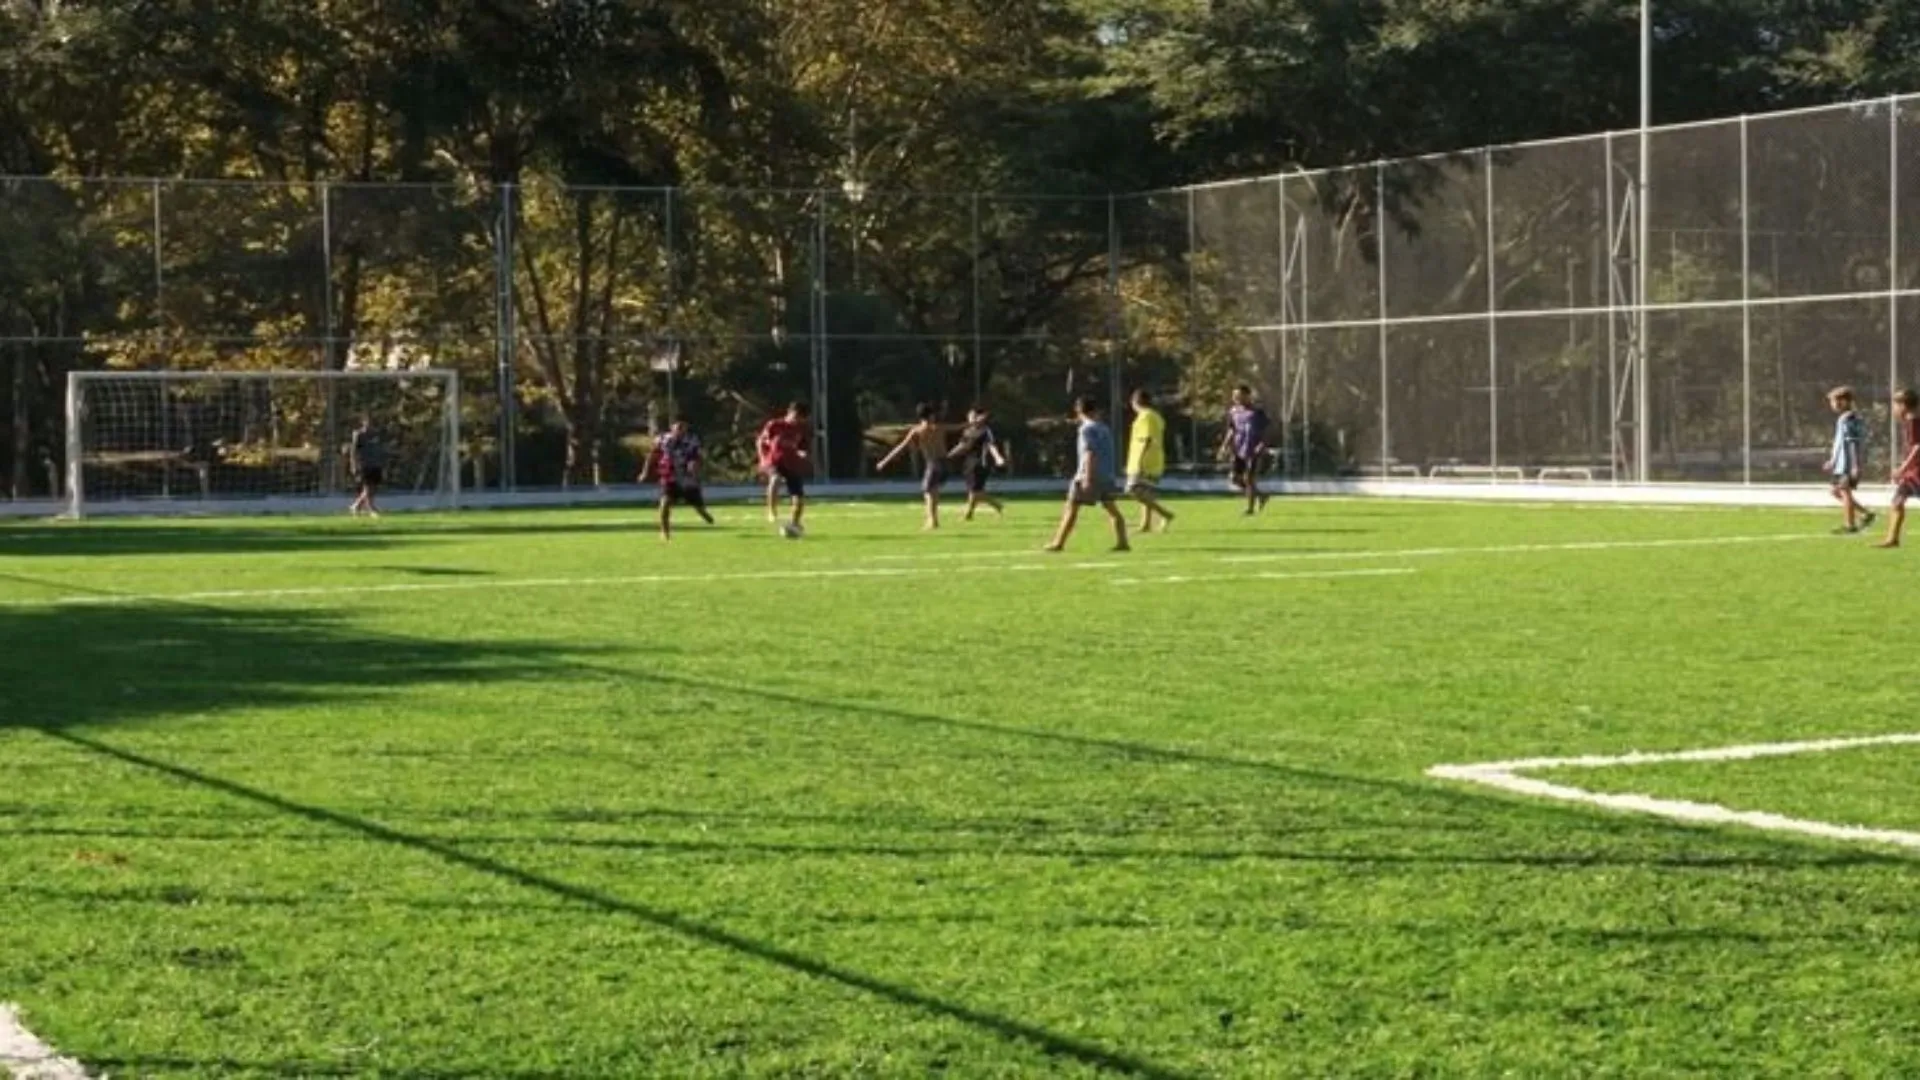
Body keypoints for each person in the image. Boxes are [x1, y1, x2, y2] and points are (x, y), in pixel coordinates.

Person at [1044, 396, 1130, 553]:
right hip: (1106, 475)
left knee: (1071, 507)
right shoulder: (1104, 429)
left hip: (1088, 474)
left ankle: (1058, 543)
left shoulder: (1086, 430)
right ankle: (1123, 542)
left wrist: (1087, 477)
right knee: (1112, 509)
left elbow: (1089, 453)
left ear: (1078, 410)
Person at [875, 403, 952, 530]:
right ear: (931, 415)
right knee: (933, 491)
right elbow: (959, 427)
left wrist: (884, 461)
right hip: (945, 463)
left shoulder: (918, 431)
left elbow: (901, 447)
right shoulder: (939, 428)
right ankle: (932, 520)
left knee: (928, 492)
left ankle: (933, 522)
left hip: (933, 463)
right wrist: (973, 423)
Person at [643, 419, 715, 541]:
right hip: (669, 476)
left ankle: (702, 512)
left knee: (697, 505)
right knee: (665, 503)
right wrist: (644, 472)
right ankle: (665, 532)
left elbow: (697, 457)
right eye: (678, 427)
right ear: (672, 428)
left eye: (683, 427)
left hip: (686, 476)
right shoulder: (663, 440)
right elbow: (651, 456)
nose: (680, 430)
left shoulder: (692, 440)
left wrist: (694, 466)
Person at [1825, 386, 1875, 534]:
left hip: (1846, 464)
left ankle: (1850, 525)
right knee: (1835, 491)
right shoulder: (1845, 418)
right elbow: (1840, 443)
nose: (1833, 405)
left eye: (1835, 401)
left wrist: (1855, 465)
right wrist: (1833, 460)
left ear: (1845, 401)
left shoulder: (1848, 419)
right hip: (1840, 463)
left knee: (1844, 491)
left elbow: (1852, 442)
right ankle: (1866, 514)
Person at [757, 401, 811, 535]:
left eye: (801, 418)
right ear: (790, 412)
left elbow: (803, 447)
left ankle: (795, 524)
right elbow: (760, 441)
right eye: (796, 416)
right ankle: (772, 511)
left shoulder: (801, 429)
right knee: (775, 479)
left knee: (799, 499)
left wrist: (802, 454)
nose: (797, 420)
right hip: (774, 461)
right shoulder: (775, 425)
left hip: (791, 464)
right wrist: (763, 458)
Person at [1126, 389, 1175, 533]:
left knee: (1133, 489)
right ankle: (1145, 524)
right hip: (1155, 459)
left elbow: (1146, 439)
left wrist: (1139, 460)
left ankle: (1165, 514)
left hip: (1145, 460)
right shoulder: (1156, 416)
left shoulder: (1146, 416)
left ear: (1135, 402)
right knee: (1146, 492)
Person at [1877, 388, 1920, 549]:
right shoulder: (1909, 422)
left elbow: (1917, 447)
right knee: (1897, 501)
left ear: (1903, 405)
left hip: (1916, 472)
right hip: (1911, 472)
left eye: (1895, 405)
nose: (1894, 409)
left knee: (1897, 501)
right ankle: (1892, 539)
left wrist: (1902, 468)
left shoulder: (1913, 422)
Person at [949, 405, 1007, 521]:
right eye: (969, 416)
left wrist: (998, 458)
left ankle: (969, 514)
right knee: (975, 490)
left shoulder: (985, 431)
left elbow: (991, 446)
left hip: (981, 462)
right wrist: (950, 454)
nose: (971, 418)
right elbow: (962, 445)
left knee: (974, 490)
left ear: (980, 417)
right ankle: (995, 505)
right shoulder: (967, 431)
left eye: (973, 416)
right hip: (968, 462)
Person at [1219, 385, 1271, 515]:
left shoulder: (1257, 412)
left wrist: (1262, 444)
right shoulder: (1233, 411)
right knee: (1234, 478)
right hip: (1238, 448)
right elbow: (1232, 430)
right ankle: (1260, 496)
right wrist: (1224, 446)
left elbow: (1266, 430)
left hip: (1253, 448)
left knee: (1249, 479)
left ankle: (1250, 509)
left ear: (1248, 396)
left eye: (1239, 395)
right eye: (1235, 396)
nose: (1236, 398)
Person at [347, 415, 385, 518]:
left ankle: (356, 506)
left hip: (375, 463)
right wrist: (353, 464)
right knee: (367, 487)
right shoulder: (359, 434)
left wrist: (382, 461)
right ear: (364, 422)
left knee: (373, 488)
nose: (370, 424)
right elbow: (353, 451)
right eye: (368, 422)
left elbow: (379, 449)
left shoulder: (376, 434)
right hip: (364, 464)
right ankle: (371, 509)